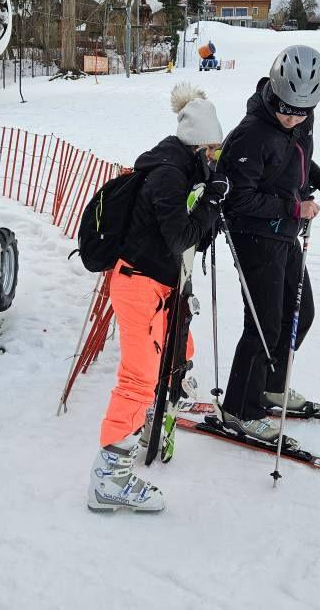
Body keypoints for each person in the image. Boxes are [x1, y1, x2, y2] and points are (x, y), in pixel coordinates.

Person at [88, 83, 228, 512]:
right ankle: (108, 478)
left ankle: (152, 421)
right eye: (216, 151)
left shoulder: (182, 168)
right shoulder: (168, 174)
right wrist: (210, 205)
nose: (217, 159)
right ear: (200, 145)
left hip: (161, 286)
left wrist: (209, 207)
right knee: (138, 378)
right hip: (138, 286)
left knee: (178, 353)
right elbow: (178, 236)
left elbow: (188, 238)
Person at [216, 45, 320, 444]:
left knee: (298, 315)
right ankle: (240, 409)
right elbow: (237, 199)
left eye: (301, 111)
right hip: (253, 236)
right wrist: (295, 208)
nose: (292, 117)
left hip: (284, 232)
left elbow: (296, 163)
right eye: (286, 108)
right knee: (263, 324)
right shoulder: (249, 135)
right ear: (274, 88)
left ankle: (271, 386)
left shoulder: (302, 121)